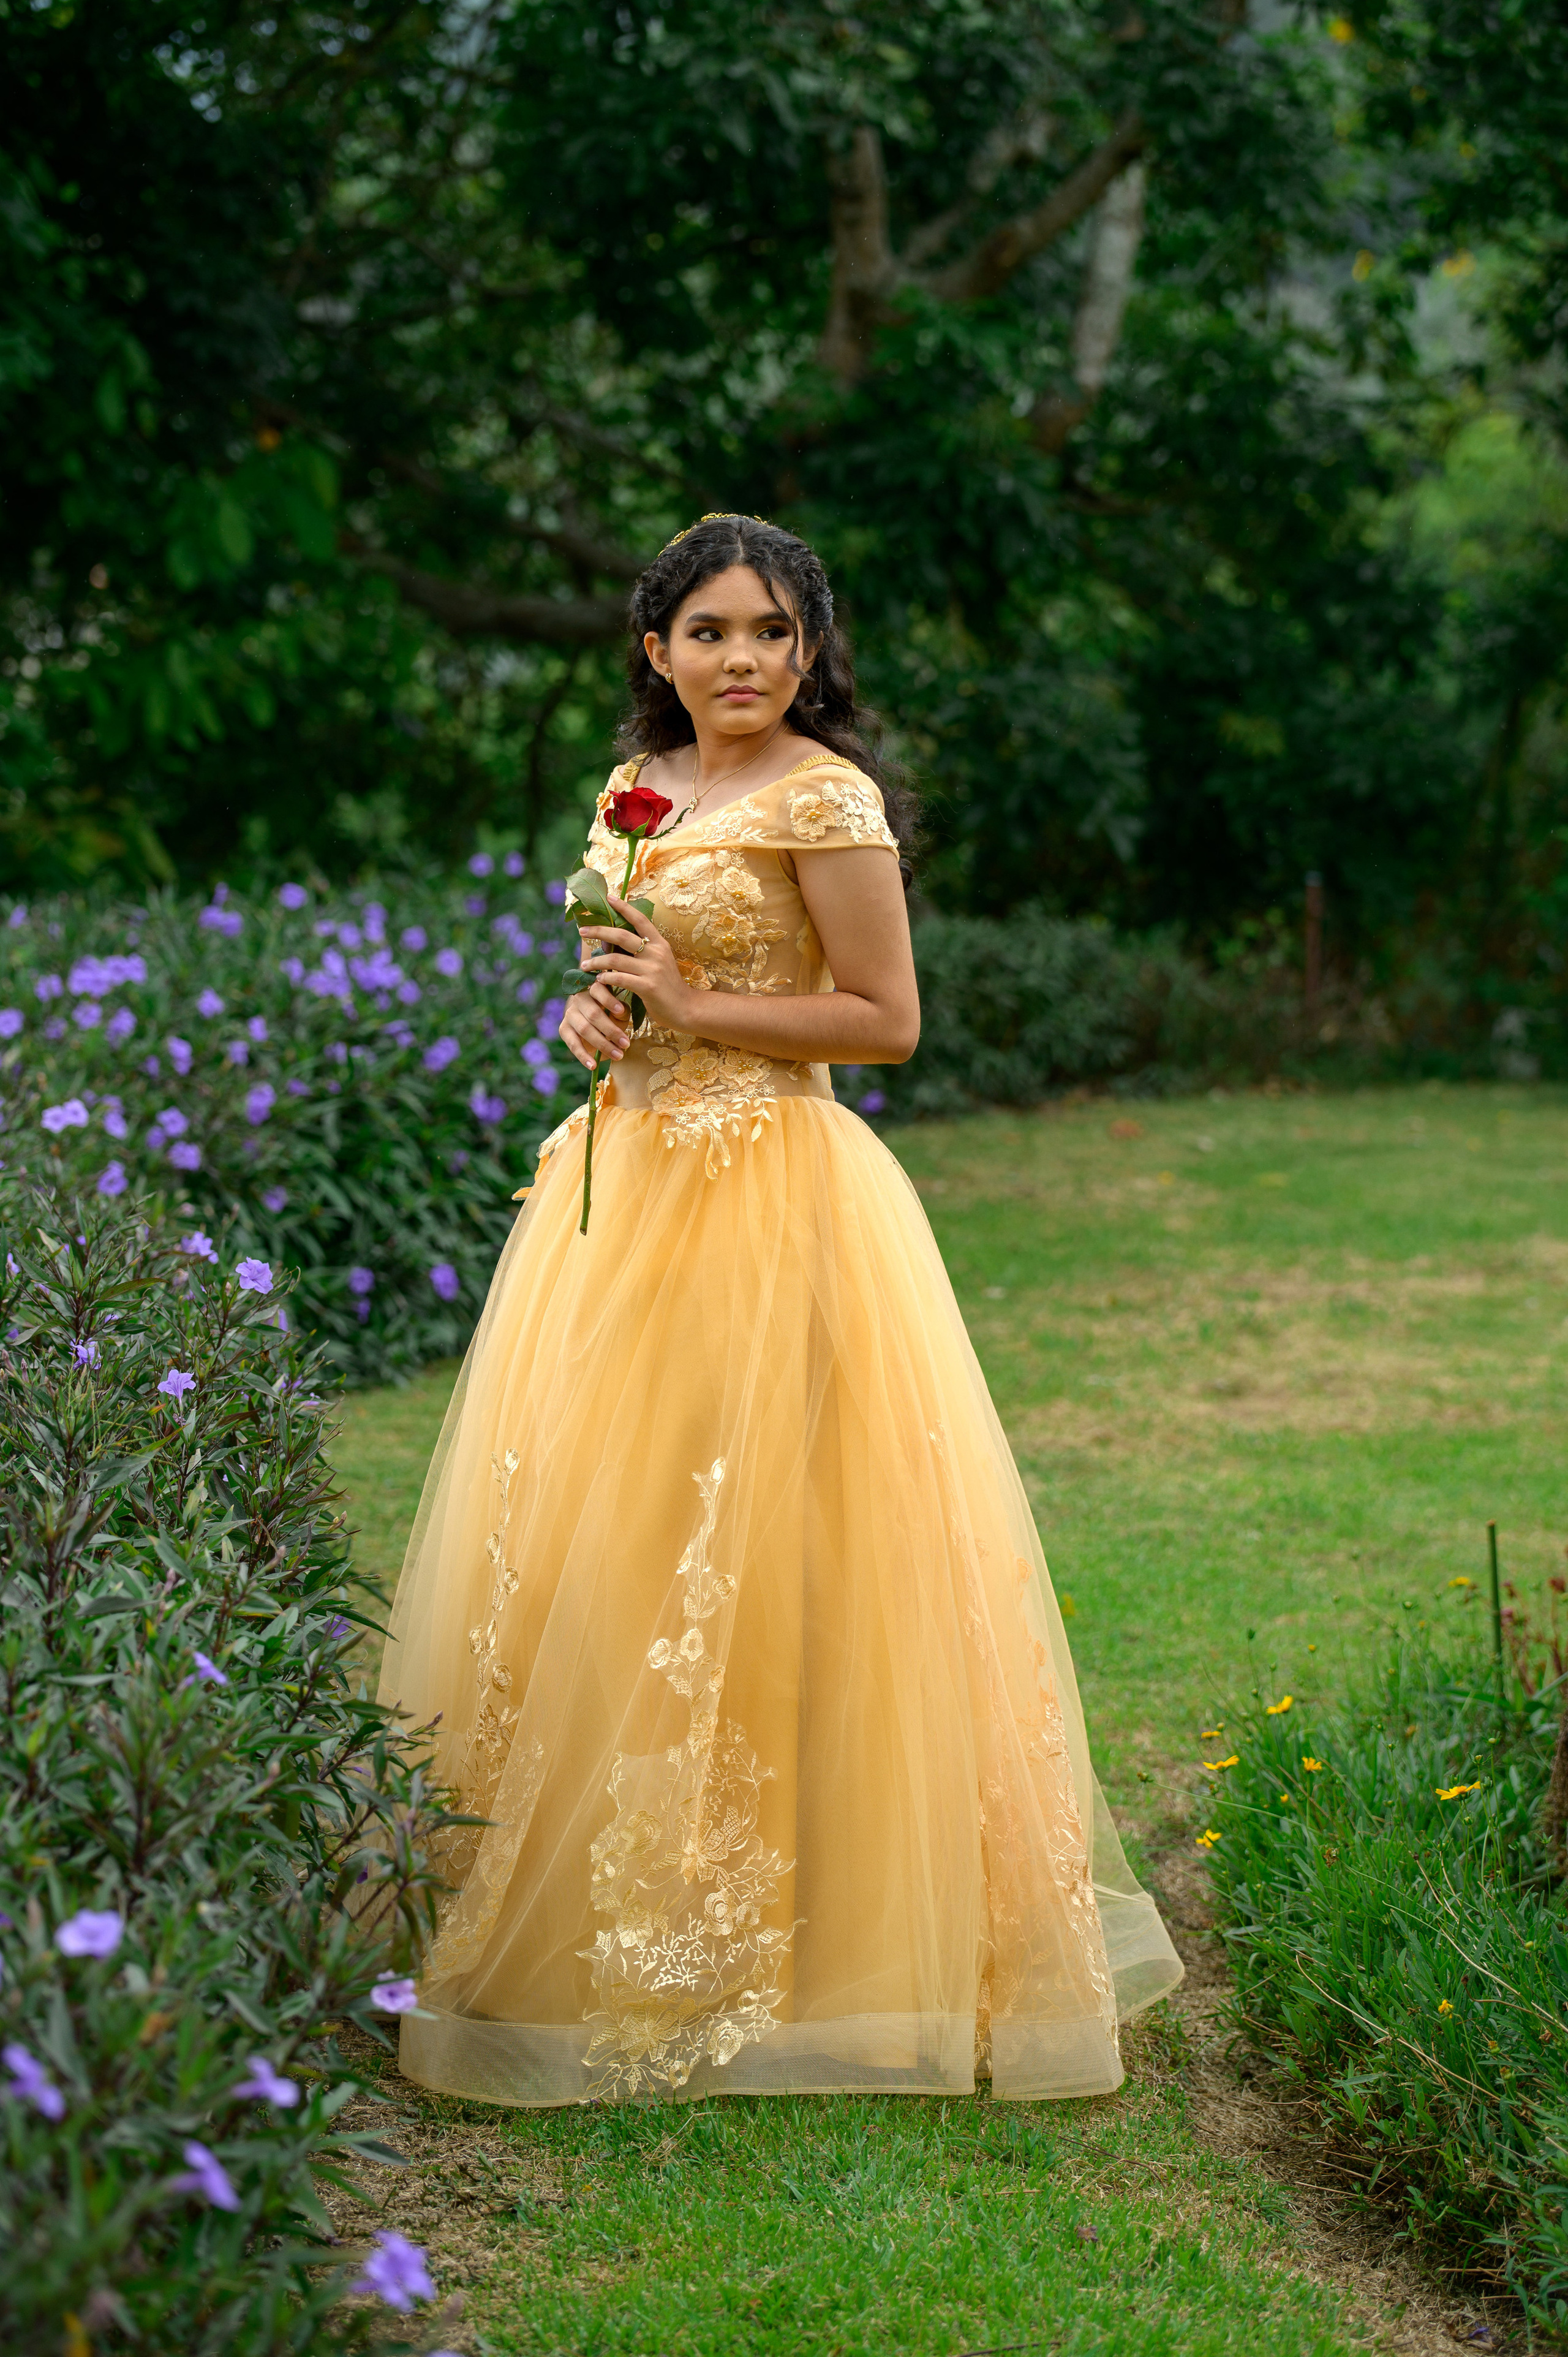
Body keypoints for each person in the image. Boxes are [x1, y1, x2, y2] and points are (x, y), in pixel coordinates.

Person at [379, 513, 1182, 2108]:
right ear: (655, 650)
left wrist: (696, 1008)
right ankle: (617, 1915)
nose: (741, 660)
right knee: (615, 1539)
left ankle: (826, 1939)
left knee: (785, 1541)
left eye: (771, 632)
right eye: (709, 632)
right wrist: (602, 1015)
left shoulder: (828, 796)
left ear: (809, 651)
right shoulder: (641, 798)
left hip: (775, 1202)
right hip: (627, 1196)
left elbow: (885, 1021)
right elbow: (638, 979)